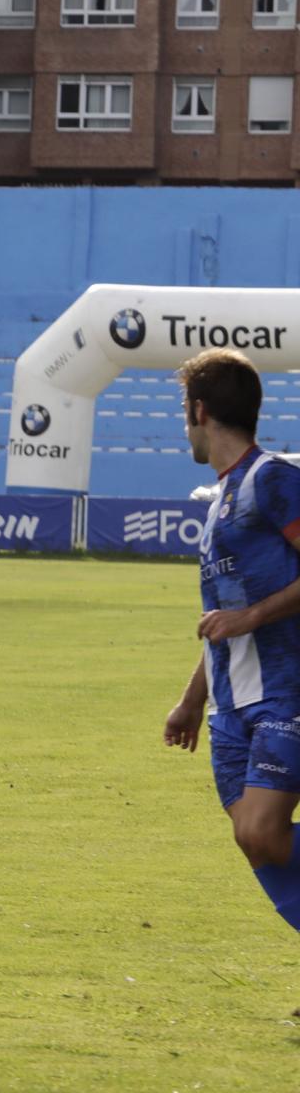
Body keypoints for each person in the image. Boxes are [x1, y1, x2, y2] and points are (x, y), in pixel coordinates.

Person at [163, 347, 300, 933]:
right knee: (254, 839)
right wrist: (192, 700)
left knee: (264, 830)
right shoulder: (219, 500)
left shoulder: (273, 479)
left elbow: (240, 616)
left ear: (198, 410)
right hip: (228, 705)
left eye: (184, 414)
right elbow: (220, 615)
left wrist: (252, 618)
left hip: (285, 691)